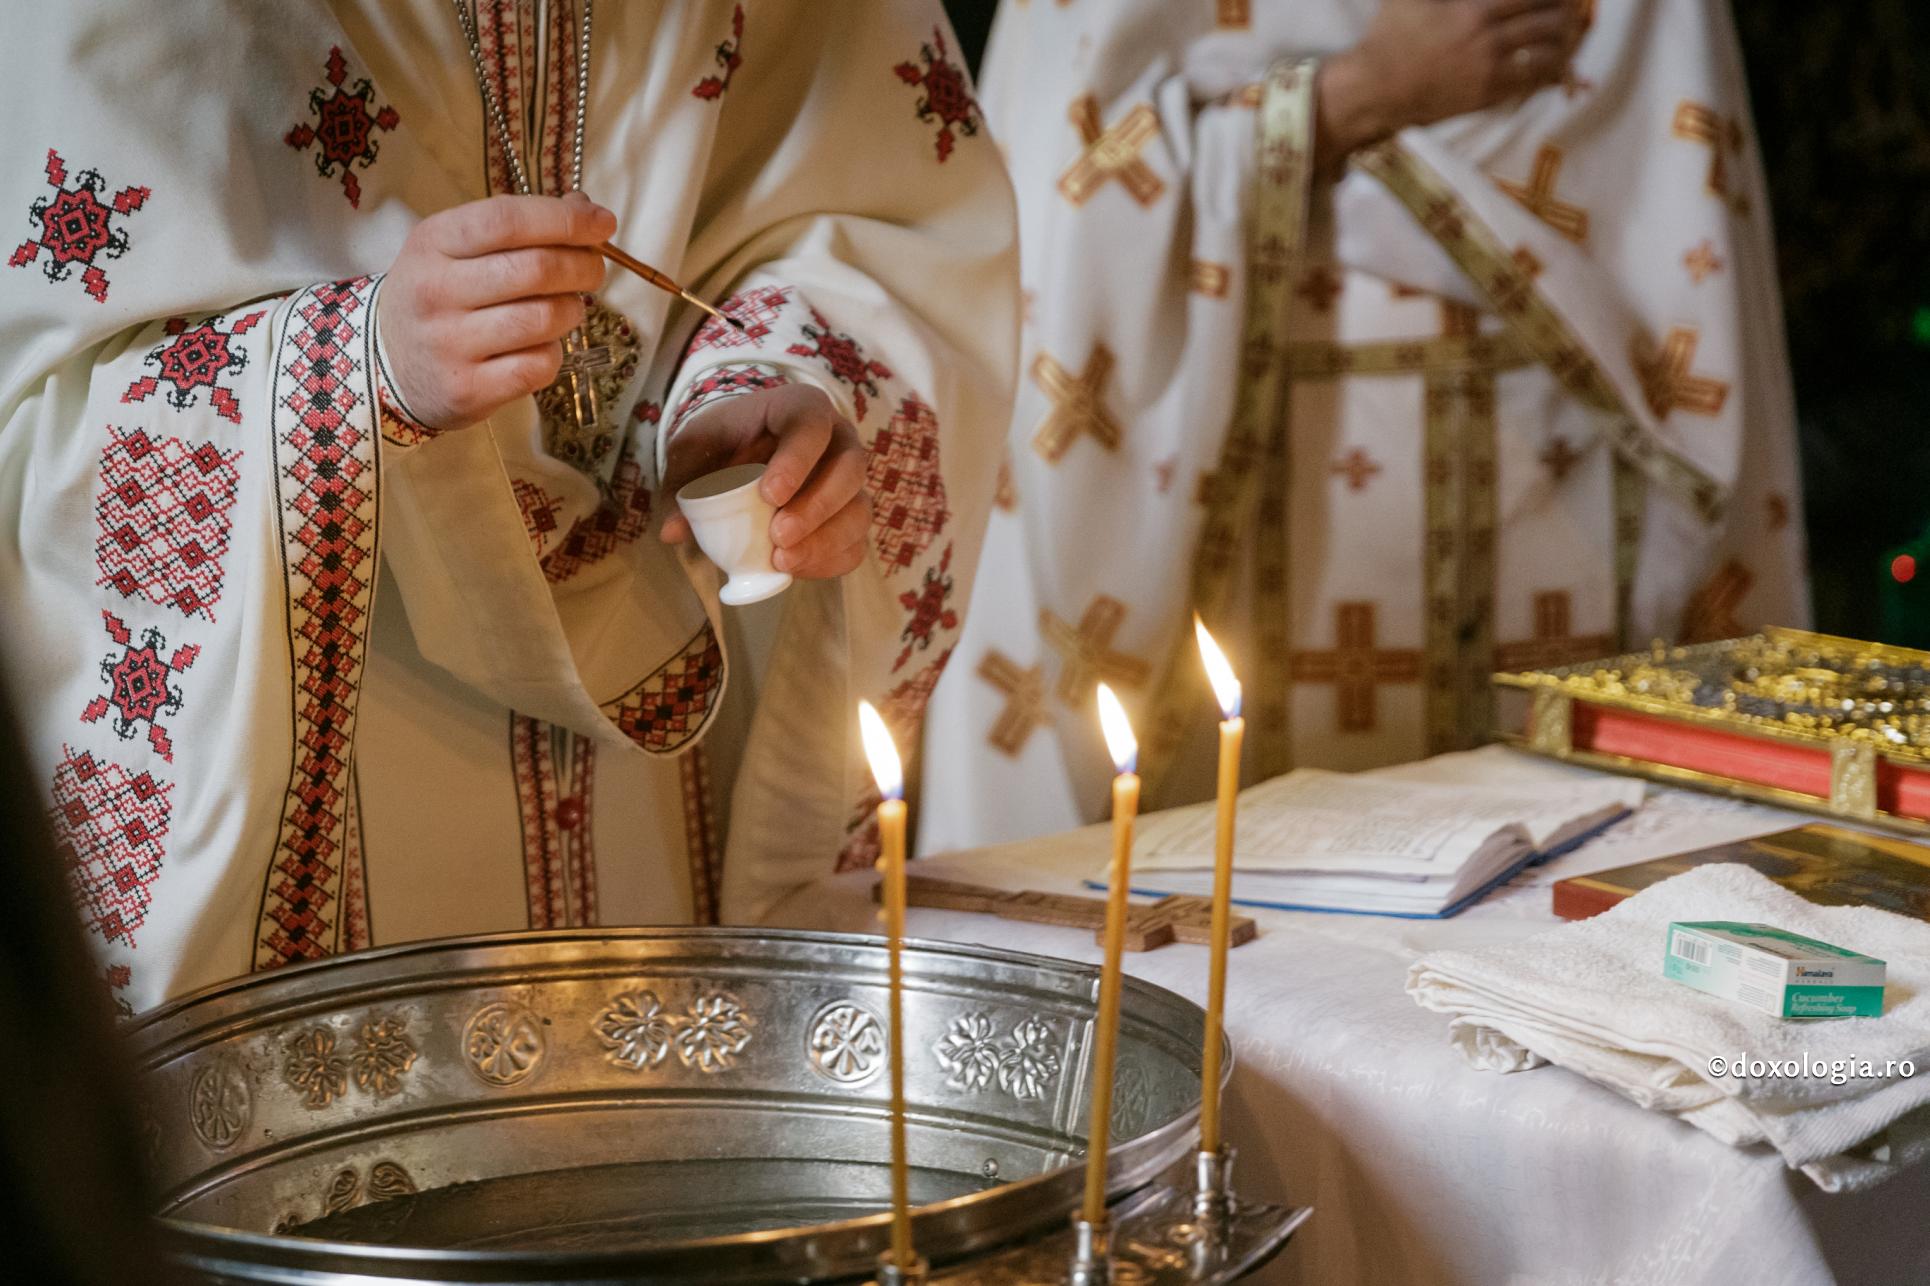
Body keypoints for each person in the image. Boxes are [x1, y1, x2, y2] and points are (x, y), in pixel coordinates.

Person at [0, 0, 1017, 1012]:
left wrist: (765, 381)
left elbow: (886, 220)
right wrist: (356, 367)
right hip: (356, 759)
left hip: (670, 737)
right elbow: (38, 440)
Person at [919, 0, 1806, 851]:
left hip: (1564, 457)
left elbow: (1671, 177)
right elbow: (1067, 172)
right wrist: (1355, 93)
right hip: (1231, 468)